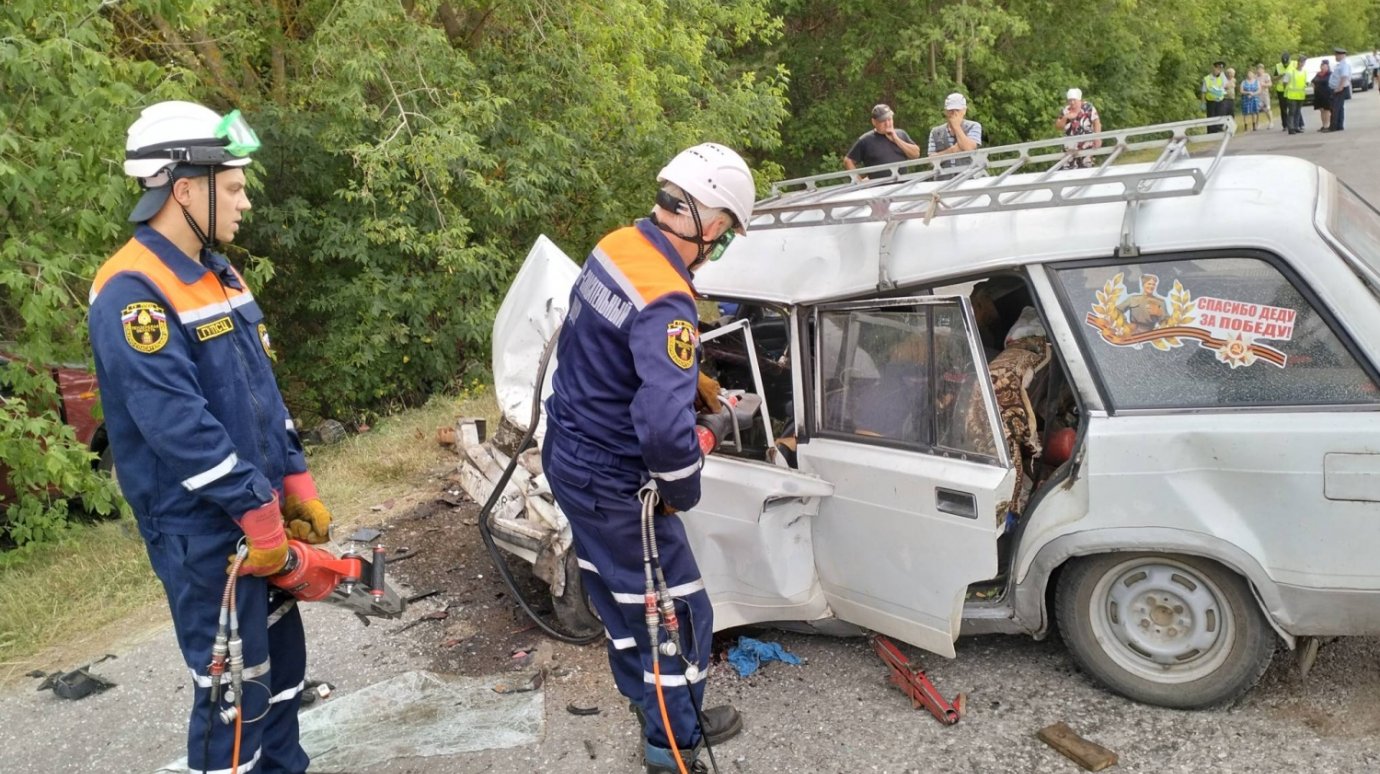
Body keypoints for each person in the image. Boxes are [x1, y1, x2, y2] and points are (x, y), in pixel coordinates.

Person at [88, 102, 330, 773]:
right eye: (233, 188)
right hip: (205, 532)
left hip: (262, 518)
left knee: (280, 681)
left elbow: (262, 393)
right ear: (184, 188)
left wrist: (296, 483)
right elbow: (179, 427)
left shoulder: (219, 273)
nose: (245, 202)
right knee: (234, 699)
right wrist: (258, 512)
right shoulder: (132, 292)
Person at [541, 142, 754, 774]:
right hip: (613, 477)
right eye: (725, 234)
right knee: (680, 613)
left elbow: (603, 350)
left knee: (624, 603)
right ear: (711, 225)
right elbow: (663, 432)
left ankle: (658, 705)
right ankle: (672, 746)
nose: (719, 244)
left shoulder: (616, 246)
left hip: (569, 452)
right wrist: (684, 481)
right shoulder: (669, 300)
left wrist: (689, 384)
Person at [844, 103, 921, 178]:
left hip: (903, 185)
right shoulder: (865, 140)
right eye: (883, 121)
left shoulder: (901, 133)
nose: (887, 124)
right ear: (874, 122)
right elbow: (848, 161)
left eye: (889, 119)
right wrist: (858, 182)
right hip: (879, 189)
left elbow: (916, 154)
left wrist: (896, 139)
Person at [926, 92, 983, 177]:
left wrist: (956, 127)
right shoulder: (935, 132)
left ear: (964, 111)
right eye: (951, 110)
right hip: (943, 180)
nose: (954, 113)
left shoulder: (974, 126)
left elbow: (969, 148)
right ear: (945, 111)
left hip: (969, 178)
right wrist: (951, 151)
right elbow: (931, 161)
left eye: (957, 110)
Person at [1054, 87, 1101, 168]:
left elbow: (1097, 122)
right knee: (1068, 170)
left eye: (1074, 100)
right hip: (1070, 147)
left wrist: (1097, 138)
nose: (1072, 103)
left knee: (1086, 169)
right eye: (1070, 100)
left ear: (1079, 100)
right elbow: (1058, 126)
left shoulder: (1088, 107)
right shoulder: (1065, 111)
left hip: (1086, 145)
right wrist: (1065, 118)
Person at [1327, 47, 1352, 131]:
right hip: (1339, 88)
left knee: (1335, 107)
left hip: (1339, 88)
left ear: (1341, 55)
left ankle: (1333, 127)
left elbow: (1344, 76)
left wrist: (1340, 87)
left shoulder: (1344, 64)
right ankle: (1339, 125)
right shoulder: (1341, 64)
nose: (1335, 57)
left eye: (1336, 55)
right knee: (1340, 108)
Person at [1284, 54, 1308, 134]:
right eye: (1301, 62)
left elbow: (1305, 82)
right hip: (1291, 95)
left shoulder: (1304, 72)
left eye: (1303, 62)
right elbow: (1285, 82)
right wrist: (1287, 90)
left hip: (1300, 95)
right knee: (1292, 112)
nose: (1302, 63)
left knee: (1298, 111)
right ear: (1298, 62)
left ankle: (1296, 126)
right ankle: (1291, 128)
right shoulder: (1290, 72)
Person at [1201, 60, 1228, 131]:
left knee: (1220, 117)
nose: (1219, 71)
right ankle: (1211, 132)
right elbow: (1203, 92)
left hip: (1220, 101)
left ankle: (1219, 131)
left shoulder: (1222, 76)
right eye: (1218, 69)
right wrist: (1203, 102)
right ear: (1214, 68)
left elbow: (1226, 86)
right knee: (1211, 118)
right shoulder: (1207, 78)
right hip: (1211, 102)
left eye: (1221, 69)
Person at [1273, 52, 1292, 132]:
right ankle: (1285, 125)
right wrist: (1281, 75)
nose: (1285, 65)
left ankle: (1294, 123)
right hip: (1281, 90)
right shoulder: (1278, 66)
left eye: (1286, 63)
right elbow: (1274, 79)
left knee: (1292, 107)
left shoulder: (1293, 64)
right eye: (1284, 63)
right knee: (1283, 108)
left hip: (1291, 89)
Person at [1313, 59, 1333, 130]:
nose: (1322, 67)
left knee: (1326, 110)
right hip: (1318, 95)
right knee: (1321, 110)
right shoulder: (1318, 74)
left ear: (1327, 66)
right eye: (1321, 66)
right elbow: (1313, 81)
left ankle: (1327, 125)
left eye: (1324, 66)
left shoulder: (1330, 74)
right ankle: (1323, 124)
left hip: (1326, 94)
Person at [1256, 64, 1274, 129]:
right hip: (1257, 95)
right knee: (1256, 110)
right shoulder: (1255, 77)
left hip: (1265, 95)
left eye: (1260, 69)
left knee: (1267, 109)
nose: (1259, 70)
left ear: (1263, 70)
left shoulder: (1266, 75)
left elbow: (1270, 84)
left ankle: (1271, 122)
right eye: (1258, 69)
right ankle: (1257, 124)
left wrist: (1264, 84)